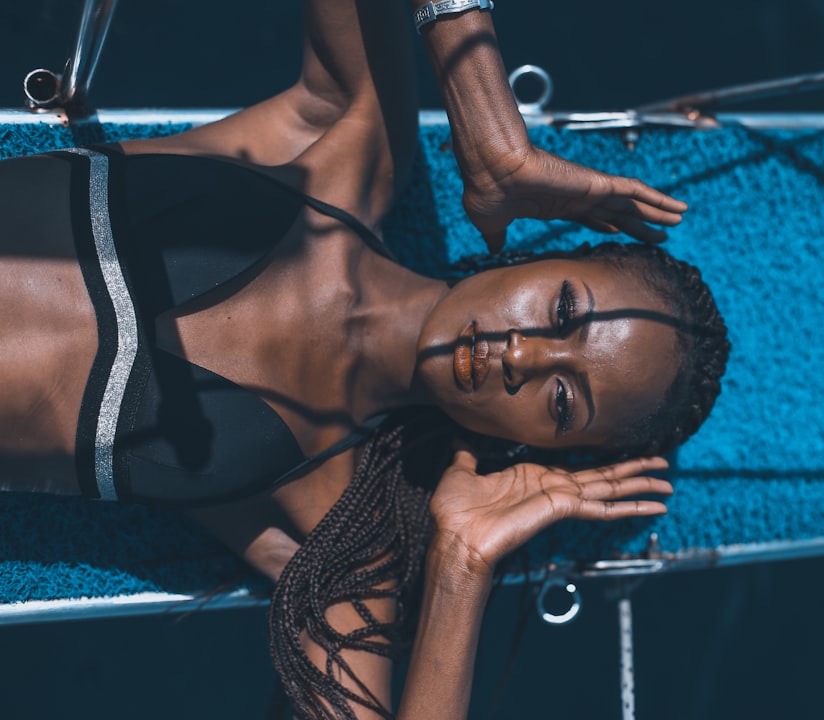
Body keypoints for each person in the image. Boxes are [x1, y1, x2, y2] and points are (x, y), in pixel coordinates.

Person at [0, 0, 730, 717]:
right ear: (548, 254)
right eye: (564, 310)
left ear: (532, 445)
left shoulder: (340, 533)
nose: (523, 354)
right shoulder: (354, 137)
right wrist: (491, 132)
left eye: (562, 400)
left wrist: (462, 564)